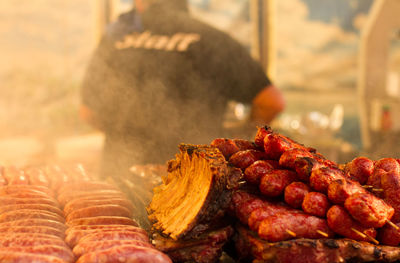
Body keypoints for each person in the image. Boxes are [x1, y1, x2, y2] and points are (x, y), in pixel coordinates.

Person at [80, 0, 285, 180]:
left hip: (120, 180)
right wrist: (237, 135)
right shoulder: (214, 40)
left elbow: (88, 112)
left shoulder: (114, 41)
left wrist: (126, 135)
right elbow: (271, 102)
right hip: (192, 185)